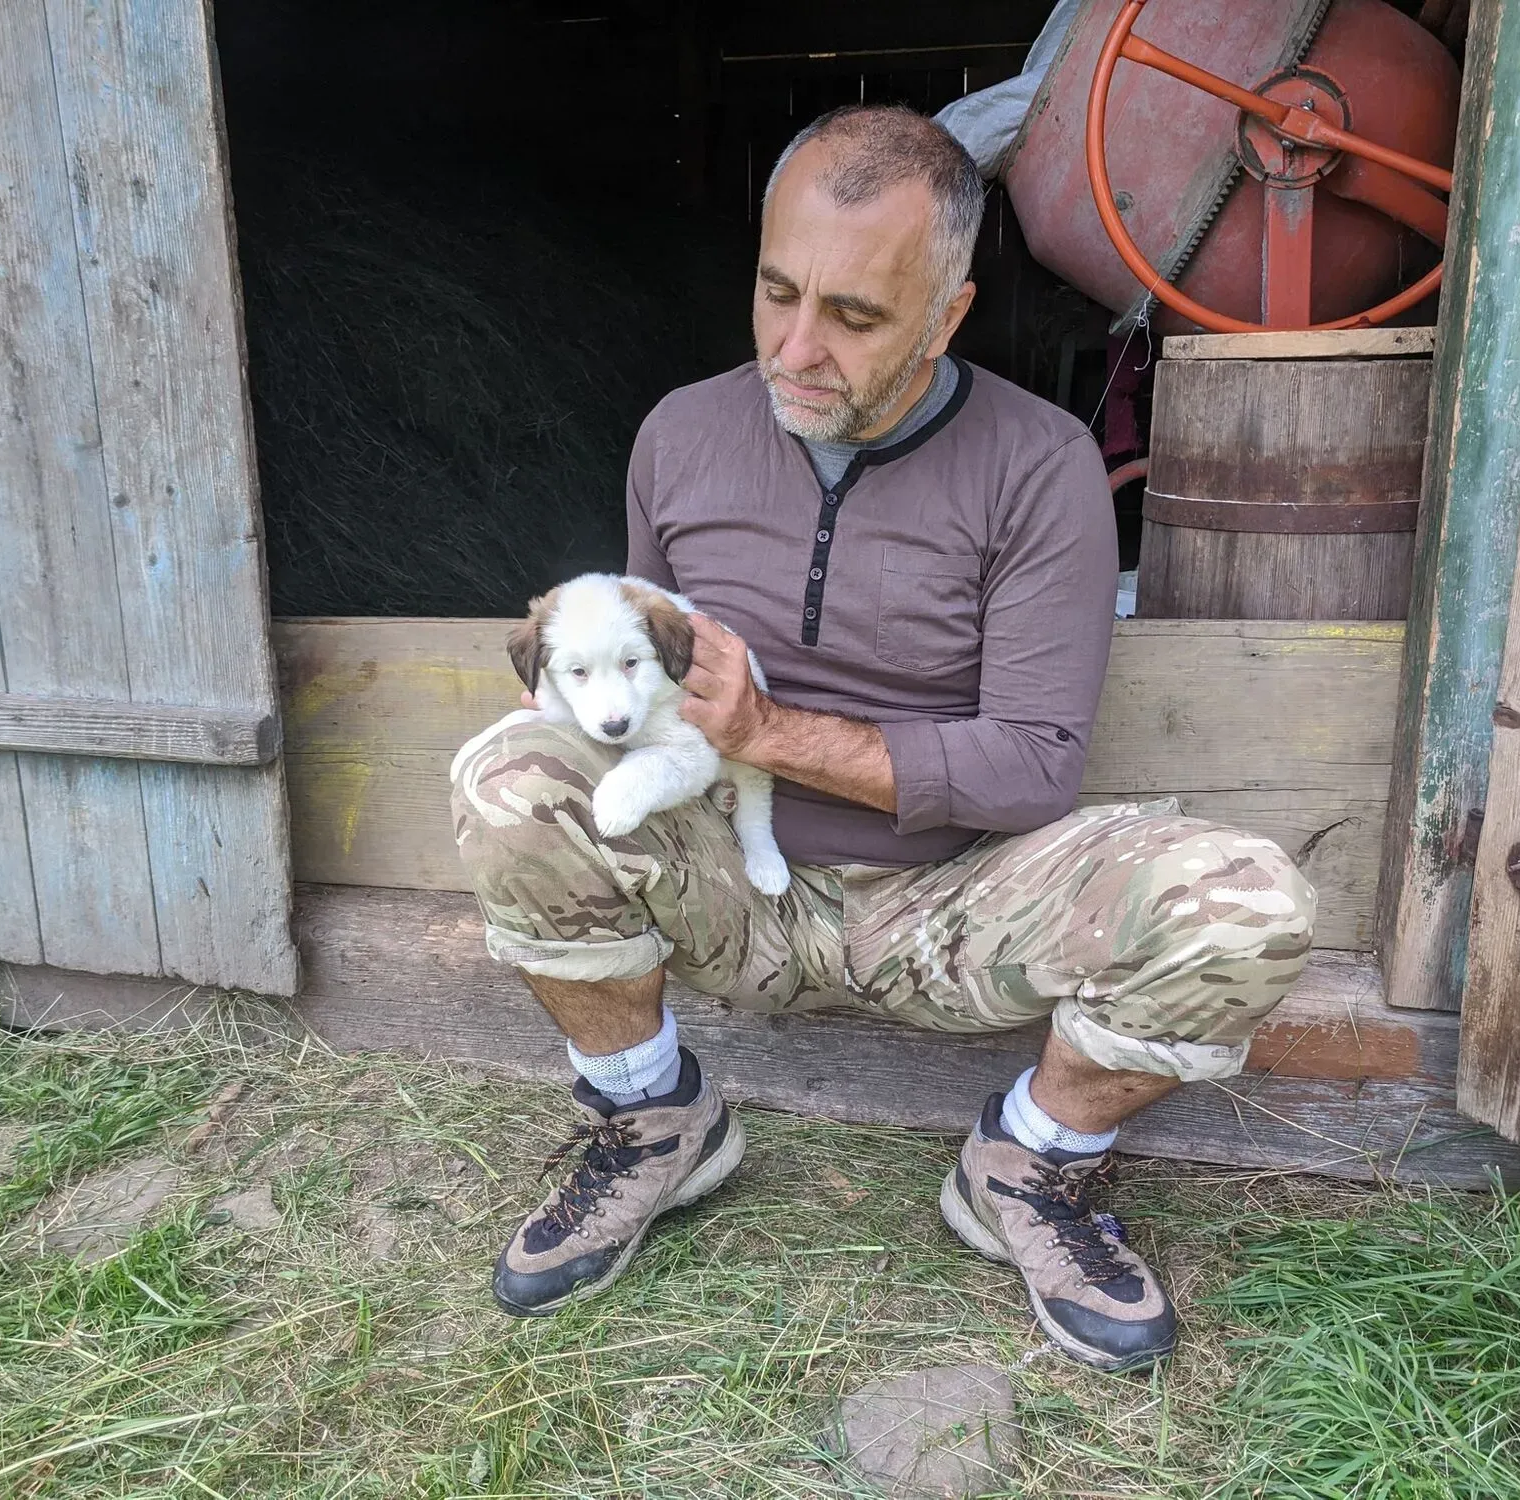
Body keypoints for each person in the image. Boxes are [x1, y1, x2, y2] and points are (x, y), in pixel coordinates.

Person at [450, 104, 1315, 1373]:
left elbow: (1029, 765)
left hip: (947, 902)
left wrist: (770, 730)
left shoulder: (1040, 464)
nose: (795, 349)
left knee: (1243, 904)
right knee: (505, 775)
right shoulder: (678, 435)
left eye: (853, 317)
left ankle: (1028, 1165)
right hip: (725, 888)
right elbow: (629, 672)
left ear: (947, 313)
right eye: (775, 293)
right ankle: (653, 1121)